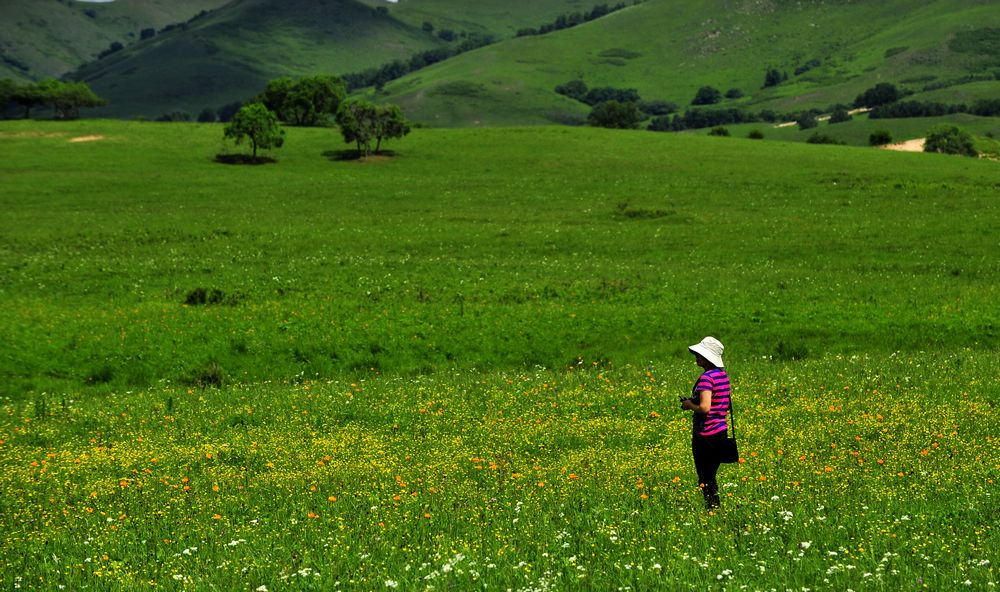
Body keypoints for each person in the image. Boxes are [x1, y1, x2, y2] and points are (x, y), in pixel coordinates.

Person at [680, 336, 731, 509]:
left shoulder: (706, 379)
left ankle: (713, 509)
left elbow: (704, 408)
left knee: (706, 477)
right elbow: (725, 405)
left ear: (709, 357)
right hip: (721, 432)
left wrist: (688, 405)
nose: (697, 357)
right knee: (711, 475)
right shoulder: (722, 376)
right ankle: (714, 507)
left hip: (706, 434)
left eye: (700, 354)